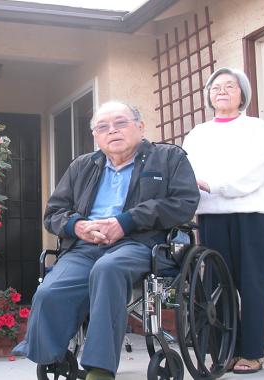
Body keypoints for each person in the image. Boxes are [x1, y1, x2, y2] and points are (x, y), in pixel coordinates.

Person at [12, 101, 200, 380]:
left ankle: (100, 369)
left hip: (141, 244)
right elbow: (53, 213)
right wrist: (78, 227)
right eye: (103, 127)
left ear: (140, 126)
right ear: (96, 137)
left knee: (108, 269)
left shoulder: (169, 157)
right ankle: (48, 354)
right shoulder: (82, 166)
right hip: (85, 246)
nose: (112, 131)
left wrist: (126, 222)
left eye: (121, 123)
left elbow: (183, 203)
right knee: (50, 291)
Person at [182, 67, 264, 375]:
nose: (221, 91)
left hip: (252, 214)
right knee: (216, 286)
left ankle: (251, 352)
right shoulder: (198, 133)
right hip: (212, 215)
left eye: (229, 86)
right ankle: (224, 351)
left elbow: (255, 170)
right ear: (209, 96)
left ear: (242, 95)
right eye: (215, 88)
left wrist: (217, 185)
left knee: (252, 283)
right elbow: (188, 171)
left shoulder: (256, 127)